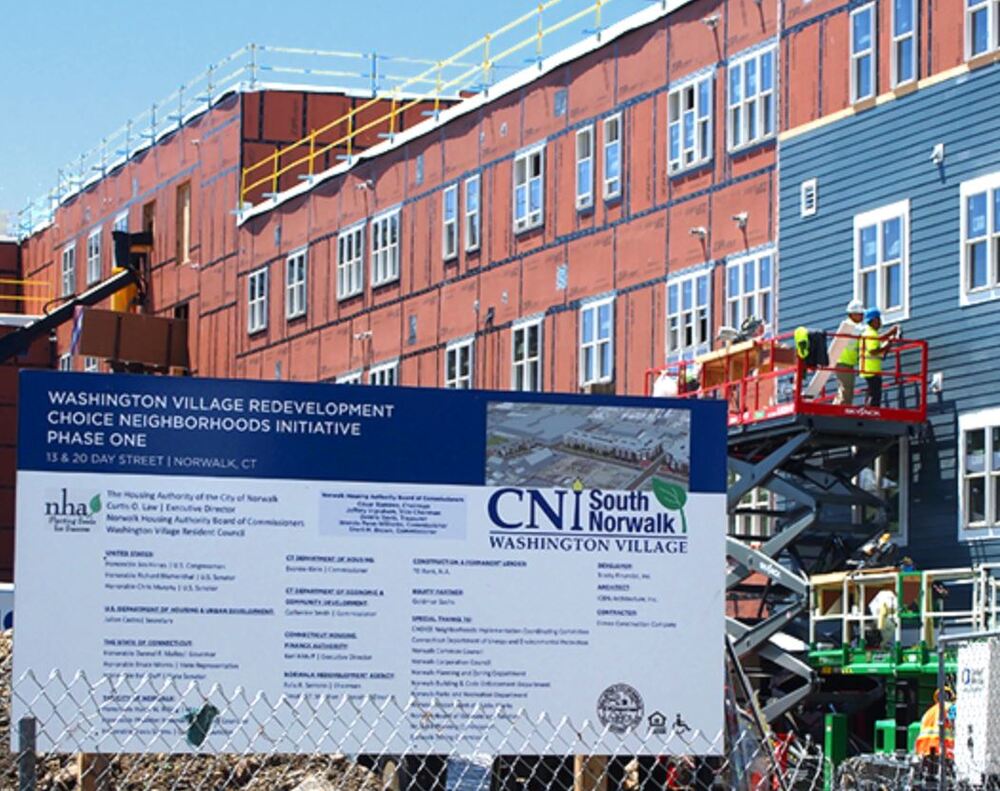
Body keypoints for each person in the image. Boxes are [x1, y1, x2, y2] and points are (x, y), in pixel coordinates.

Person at [860, 308, 899, 407]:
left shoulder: (869, 332)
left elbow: (879, 339)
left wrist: (889, 334)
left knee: (872, 391)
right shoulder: (871, 333)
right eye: (879, 319)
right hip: (871, 369)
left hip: (869, 368)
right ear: (874, 320)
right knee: (875, 393)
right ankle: (872, 411)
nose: (880, 322)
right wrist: (886, 346)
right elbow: (873, 351)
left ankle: (869, 409)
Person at [833, 299, 865, 405]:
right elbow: (862, 332)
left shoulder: (855, 327)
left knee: (846, 389)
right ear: (852, 314)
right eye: (860, 314)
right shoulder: (848, 326)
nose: (862, 317)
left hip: (847, 363)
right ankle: (840, 410)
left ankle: (837, 408)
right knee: (846, 390)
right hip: (842, 363)